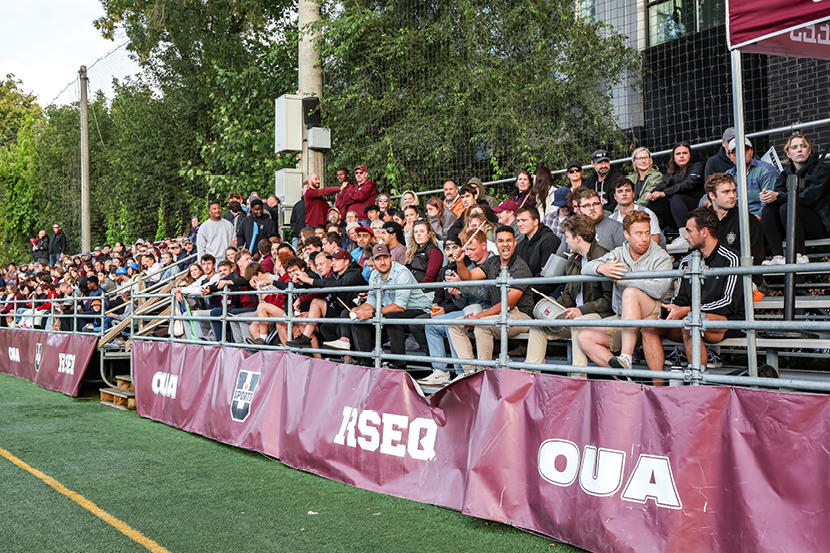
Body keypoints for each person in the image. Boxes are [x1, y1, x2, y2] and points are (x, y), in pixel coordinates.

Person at [640, 207, 742, 375]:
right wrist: (671, 310)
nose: (685, 236)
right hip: (690, 318)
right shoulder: (686, 260)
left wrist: (687, 310)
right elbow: (679, 299)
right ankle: (656, 388)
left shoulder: (731, 258)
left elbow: (728, 304)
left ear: (704, 232)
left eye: (688, 231)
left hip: (725, 322)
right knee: (649, 324)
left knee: (690, 322)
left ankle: (697, 385)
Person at [577, 211, 673, 379]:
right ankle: (623, 377)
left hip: (655, 312)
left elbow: (660, 289)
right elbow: (586, 268)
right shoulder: (618, 253)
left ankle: (626, 357)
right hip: (624, 317)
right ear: (627, 234)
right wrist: (602, 269)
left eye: (647, 232)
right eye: (639, 233)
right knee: (585, 337)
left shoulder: (660, 255)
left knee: (630, 293)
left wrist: (624, 280)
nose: (644, 238)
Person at [524, 215, 613, 369]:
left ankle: (578, 376)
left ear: (577, 238)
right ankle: (531, 374)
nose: (565, 241)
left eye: (567, 237)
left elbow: (609, 300)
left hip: (600, 316)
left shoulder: (604, 257)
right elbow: (569, 295)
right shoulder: (573, 260)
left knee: (577, 323)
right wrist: (553, 309)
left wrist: (581, 310)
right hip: (575, 315)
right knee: (537, 325)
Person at [328, 244, 432, 369]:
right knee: (357, 316)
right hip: (392, 309)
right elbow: (371, 301)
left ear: (391, 258)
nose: (382, 262)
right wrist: (360, 309)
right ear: (373, 261)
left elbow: (400, 306)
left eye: (385, 258)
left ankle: (399, 365)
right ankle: (365, 364)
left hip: (417, 309)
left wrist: (371, 313)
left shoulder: (401, 272)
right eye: (378, 259)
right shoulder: (374, 275)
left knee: (390, 317)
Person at [448, 226, 534, 373]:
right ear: (496, 244)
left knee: (482, 326)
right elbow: (468, 277)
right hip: (497, 314)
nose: (505, 244)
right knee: (455, 326)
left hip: (520, 315)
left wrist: (478, 317)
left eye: (509, 240)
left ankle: (484, 373)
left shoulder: (521, 267)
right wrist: (460, 262)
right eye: (501, 241)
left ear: (514, 243)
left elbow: (509, 304)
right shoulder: (493, 261)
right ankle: (469, 373)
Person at [414, 232, 493, 385]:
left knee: (452, 323)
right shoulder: (468, 267)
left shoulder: (492, 264)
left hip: (489, 310)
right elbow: (463, 304)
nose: (469, 253)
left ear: (484, 246)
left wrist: (463, 285)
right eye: (467, 250)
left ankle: (461, 371)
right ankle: (440, 371)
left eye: (472, 249)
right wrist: (458, 295)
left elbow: (489, 295)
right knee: (431, 325)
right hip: (469, 310)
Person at [760, 134, 830, 264]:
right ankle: (778, 257)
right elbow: (778, 194)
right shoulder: (785, 173)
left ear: (809, 151)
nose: (799, 150)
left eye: (803, 146)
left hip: (819, 224)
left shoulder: (822, 169)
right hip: (791, 226)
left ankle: (799, 254)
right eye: (794, 147)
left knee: (788, 207)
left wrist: (779, 196)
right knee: (768, 210)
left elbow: (810, 197)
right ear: (788, 153)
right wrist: (768, 196)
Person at [296, 247, 367, 347]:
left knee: (344, 314)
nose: (333, 263)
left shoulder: (354, 273)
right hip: (342, 309)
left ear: (346, 262)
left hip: (357, 311)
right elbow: (323, 287)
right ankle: (305, 338)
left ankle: (347, 357)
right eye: (333, 260)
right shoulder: (335, 274)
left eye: (337, 260)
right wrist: (302, 283)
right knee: (318, 307)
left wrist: (308, 280)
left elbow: (337, 285)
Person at [645, 142, 704, 233]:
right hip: (678, 207)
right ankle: (655, 232)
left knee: (676, 198)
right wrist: (652, 193)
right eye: (678, 154)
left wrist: (665, 193)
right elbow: (663, 184)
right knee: (654, 202)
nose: (681, 156)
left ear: (690, 155)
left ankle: (685, 234)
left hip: (695, 203)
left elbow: (689, 184)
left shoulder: (697, 166)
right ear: (674, 158)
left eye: (685, 153)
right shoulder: (672, 171)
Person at [706, 173, 764, 265]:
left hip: (741, 276)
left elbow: (756, 257)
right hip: (709, 276)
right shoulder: (701, 221)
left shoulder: (748, 220)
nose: (732, 196)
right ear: (712, 195)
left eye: (734, 191)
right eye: (726, 192)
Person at [557, 188, 624, 255]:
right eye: (587, 205)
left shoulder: (617, 228)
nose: (592, 208)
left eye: (596, 204)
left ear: (601, 205)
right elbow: (559, 257)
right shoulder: (572, 228)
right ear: (579, 209)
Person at [723, 137, 777, 218]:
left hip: (759, 219)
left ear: (752, 152)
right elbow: (708, 196)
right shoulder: (728, 175)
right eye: (734, 152)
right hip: (735, 219)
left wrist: (754, 221)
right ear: (729, 156)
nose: (740, 153)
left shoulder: (766, 170)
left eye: (745, 149)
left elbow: (767, 205)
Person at [610, 179, 663, 246]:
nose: (624, 194)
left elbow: (654, 243)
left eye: (628, 190)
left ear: (633, 194)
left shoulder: (647, 213)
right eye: (620, 191)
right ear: (615, 196)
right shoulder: (611, 220)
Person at [515, 206, 561, 279]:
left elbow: (546, 276)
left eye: (524, 220)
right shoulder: (520, 245)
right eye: (518, 221)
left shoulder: (549, 240)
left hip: (542, 287)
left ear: (535, 222)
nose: (519, 224)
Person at [290, 181, 309, 248]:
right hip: (298, 237)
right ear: (302, 189)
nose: (309, 189)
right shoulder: (297, 206)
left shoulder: (317, 204)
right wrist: (299, 232)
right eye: (307, 187)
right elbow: (293, 222)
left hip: (312, 237)